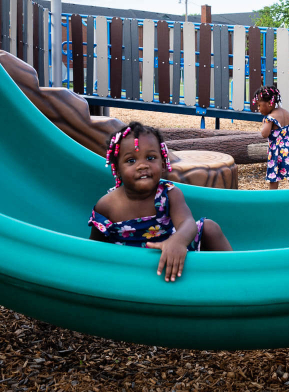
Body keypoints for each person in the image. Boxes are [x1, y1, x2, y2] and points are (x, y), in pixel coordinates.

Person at [89, 121, 232, 282]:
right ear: (117, 169)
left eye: (151, 158)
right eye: (131, 161)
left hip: (174, 251)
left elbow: (187, 223)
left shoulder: (169, 194)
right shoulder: (107, 206)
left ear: (163, 164)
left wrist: (178, 242)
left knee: (210, 227)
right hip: (131, 268)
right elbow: (93, 248)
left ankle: (236, 274)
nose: (142, 165)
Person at [252, 86, 289, 189]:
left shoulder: (270, 118)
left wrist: (265, 122)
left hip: (277, 151)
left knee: (273, 175)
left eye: (259, 105)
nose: (258, 109)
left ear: (269, 103)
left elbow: (264, 134)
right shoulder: (287, 113)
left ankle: (273, 195)